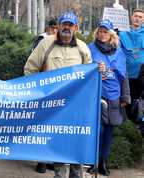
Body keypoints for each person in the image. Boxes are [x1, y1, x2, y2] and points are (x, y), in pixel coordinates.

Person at [24, 10, 104, 178]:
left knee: (76, 144)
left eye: (70, 25)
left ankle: (77, 174)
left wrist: (98, 71)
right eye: (64, 24)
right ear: (58, 26)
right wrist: (39, 91)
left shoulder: (83, 48)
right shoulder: (46, 44)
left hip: (76, 107)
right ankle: (59, 175)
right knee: (59, 145)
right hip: (53, 106)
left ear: (76, 27)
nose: (67, 28)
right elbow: (30, 69)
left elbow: (88, 76)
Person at [88, 19, 130, 176]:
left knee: (109, 132)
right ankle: (93, 162)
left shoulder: (119, 52)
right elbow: (82, 68)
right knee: (97, 130)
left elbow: (124, 76)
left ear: (111, 34)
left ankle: (103, 162)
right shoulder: (90, 48)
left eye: (105, 31)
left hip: (114, 96)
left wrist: (125, 97)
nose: (102, 34)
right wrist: (94, 68)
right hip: (96, 95)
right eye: (100, 31)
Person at [119, 9, 144, 135]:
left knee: (139, 102)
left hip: (141, 76)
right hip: (125, 74)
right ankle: (126, 129)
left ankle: (138, 127)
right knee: (126, 101)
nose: (138, 18)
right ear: (131, 17)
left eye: (140, 17)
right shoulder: (122, 34)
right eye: (136, 16)